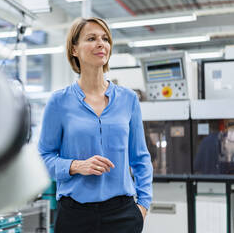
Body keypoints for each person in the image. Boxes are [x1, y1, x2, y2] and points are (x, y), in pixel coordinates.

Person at [38, 17, 153, 233]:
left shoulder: (128, 99)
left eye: (105, 38)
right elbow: (43, 158)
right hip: (74, 216)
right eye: (91, 38)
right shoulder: (59, 102)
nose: (101, 44)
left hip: (123, 215)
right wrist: (76, 165)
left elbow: (140, 157)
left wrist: (143, 206)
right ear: (74, 49)